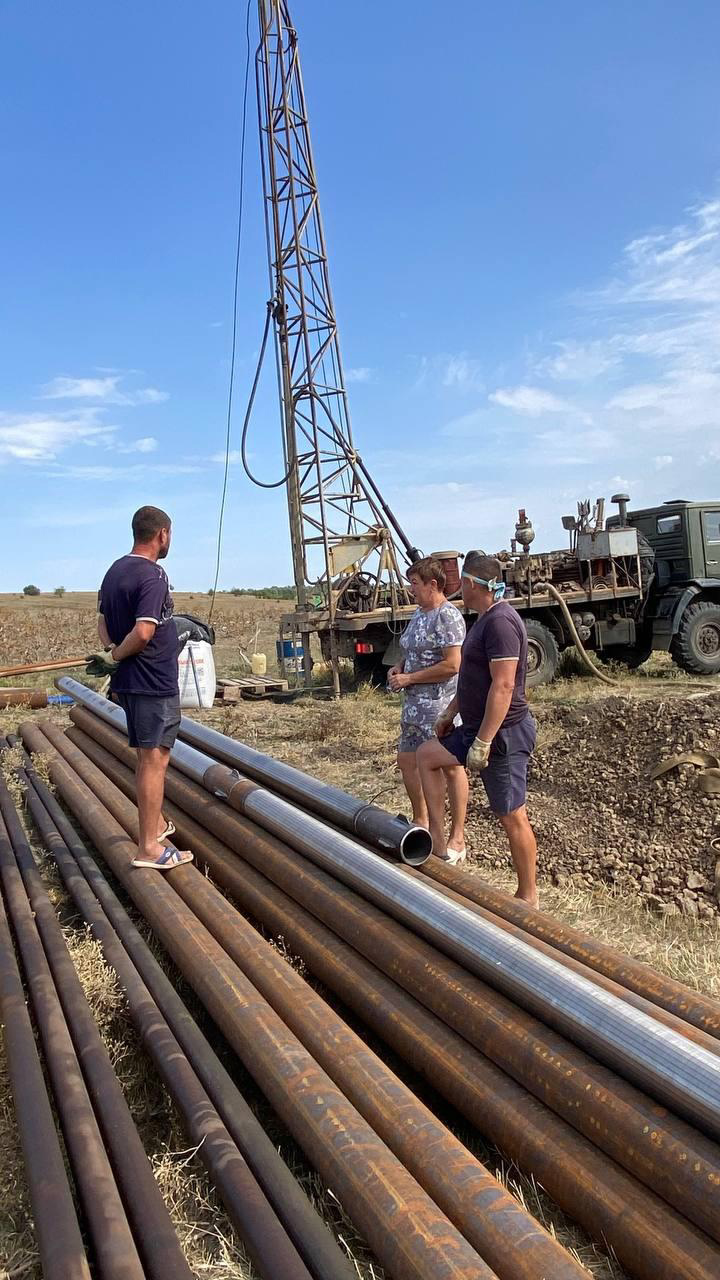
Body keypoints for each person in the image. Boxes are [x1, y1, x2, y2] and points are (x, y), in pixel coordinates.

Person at [417, 552, 538, 904]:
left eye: (462, 583)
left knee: (511, 814)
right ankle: (440, 848)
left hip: (501, 734)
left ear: (471, 583)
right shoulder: (484, 618)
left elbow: (502, 687)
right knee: (426, 756)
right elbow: (473, 678)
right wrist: (448, 713)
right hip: (474, 726)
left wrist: (483, 742)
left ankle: (528, 896)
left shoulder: (501, 623)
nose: (459, 588)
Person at [96, 506, 193, 871]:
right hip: (152, 682)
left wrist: (109, 652)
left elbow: (103, 622)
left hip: (132, 686)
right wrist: (119, 655)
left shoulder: (114, 571)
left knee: (146, 759)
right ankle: (150, 849)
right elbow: (144, 631)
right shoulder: (152, 576)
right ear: (162, 534)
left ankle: (154, 826)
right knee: (155, 762)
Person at [388, 557, 466, 851]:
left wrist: (411, 678)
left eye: (415, 583)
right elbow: (413, 651)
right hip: (413, 707)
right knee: (407, 761)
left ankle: (456, 835)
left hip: (439, 709)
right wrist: (398, 667)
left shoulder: (447, 616)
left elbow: (452, 664)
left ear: (433, 585)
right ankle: (421, 821)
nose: (411, 589)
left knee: (450, 767)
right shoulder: (419, 615)